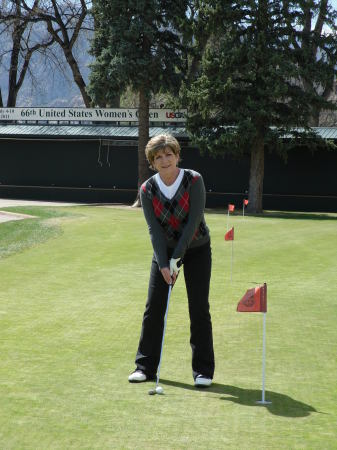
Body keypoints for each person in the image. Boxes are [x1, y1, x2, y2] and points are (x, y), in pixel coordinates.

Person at [128, 134, 215, 387]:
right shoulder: (147, 189)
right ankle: (144, 367)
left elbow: (193, 223)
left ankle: (203, 371)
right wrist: (164, 263)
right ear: (152, 162)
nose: (164, 160)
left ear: (177, 156)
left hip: (197, 247)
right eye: (158, 157)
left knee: (198, 308)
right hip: (164, 253)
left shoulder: (194, 180)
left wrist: (176, 259)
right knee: (153, 308)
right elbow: (154, 230)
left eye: (169, 154)